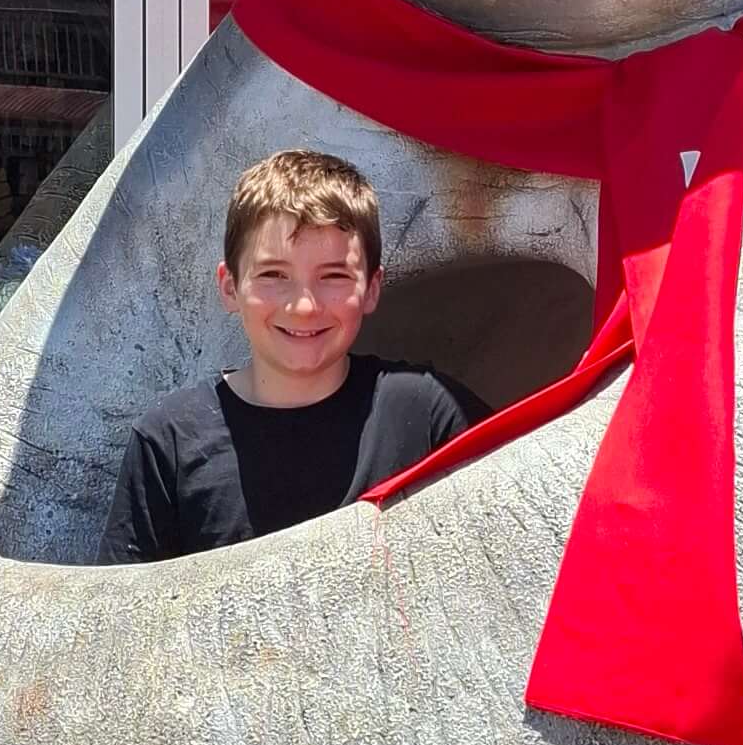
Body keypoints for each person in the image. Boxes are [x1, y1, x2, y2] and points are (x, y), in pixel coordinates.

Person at [99, 147, 482, 563]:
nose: (304, 306)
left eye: (333, 276)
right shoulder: (169, 442)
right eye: (274, 275)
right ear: (230, 286)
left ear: (371, 288)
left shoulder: (427, 413)